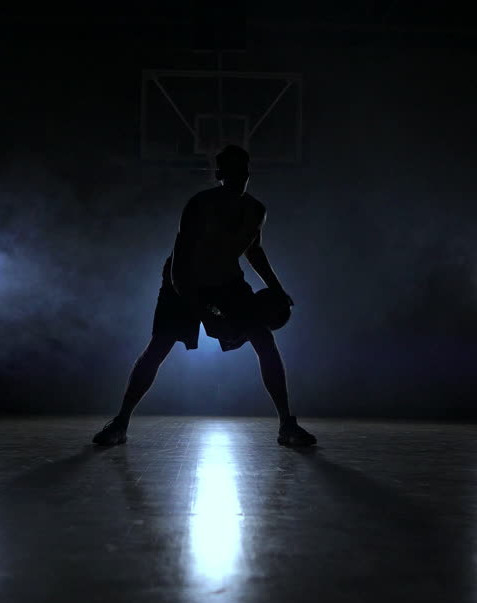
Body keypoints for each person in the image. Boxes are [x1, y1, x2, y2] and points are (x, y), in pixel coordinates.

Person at [92, 145, 316, 447]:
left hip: (226, 282)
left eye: (244, 170)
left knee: (264, 339)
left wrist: (276, 287)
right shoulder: (200, 205)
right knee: (159, 346)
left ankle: (287, 425)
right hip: (182, 281)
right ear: (220, 174)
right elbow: (179, 260)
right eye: (232, 170)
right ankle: (120, 423)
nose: (240, 176)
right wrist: (199, 306)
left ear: (249, 173)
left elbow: (254, 250)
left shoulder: (256, 211)